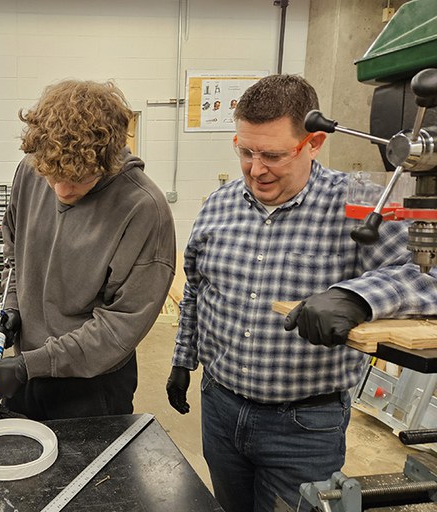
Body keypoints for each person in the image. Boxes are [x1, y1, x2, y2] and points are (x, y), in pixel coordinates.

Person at [166, 74, 437, 511]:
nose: (256, 169)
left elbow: (428, 274)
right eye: (245, 151)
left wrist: (357, 297)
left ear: (313, 143)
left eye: (272, 155)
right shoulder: (218, 204)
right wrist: (183, 359)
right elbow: (197, 289)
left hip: (304, 425)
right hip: (220, 407)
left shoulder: (358, 205)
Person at [0, 79, 176, 420]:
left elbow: (118, 329)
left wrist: (29, 365)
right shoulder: (31, 170)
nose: (63, 189)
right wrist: (11, 310)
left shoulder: (143, 209)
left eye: (81, 178)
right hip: (26, 371)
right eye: (52, 175)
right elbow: (14, 254)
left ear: (109, 160)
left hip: (92, 385)